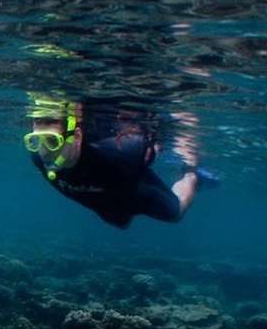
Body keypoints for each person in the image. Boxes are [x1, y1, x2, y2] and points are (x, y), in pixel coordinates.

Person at [23, 96, 218, 229]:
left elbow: (149, 147)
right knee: (120, 223)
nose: (43, 150)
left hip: (133, 193)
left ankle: (192, 175)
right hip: (106, 206)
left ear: (76, 137)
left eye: (51, 141)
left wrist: (165, 149)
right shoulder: (37, 157)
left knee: (176, 213)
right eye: (35, 141)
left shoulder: (121, 154)